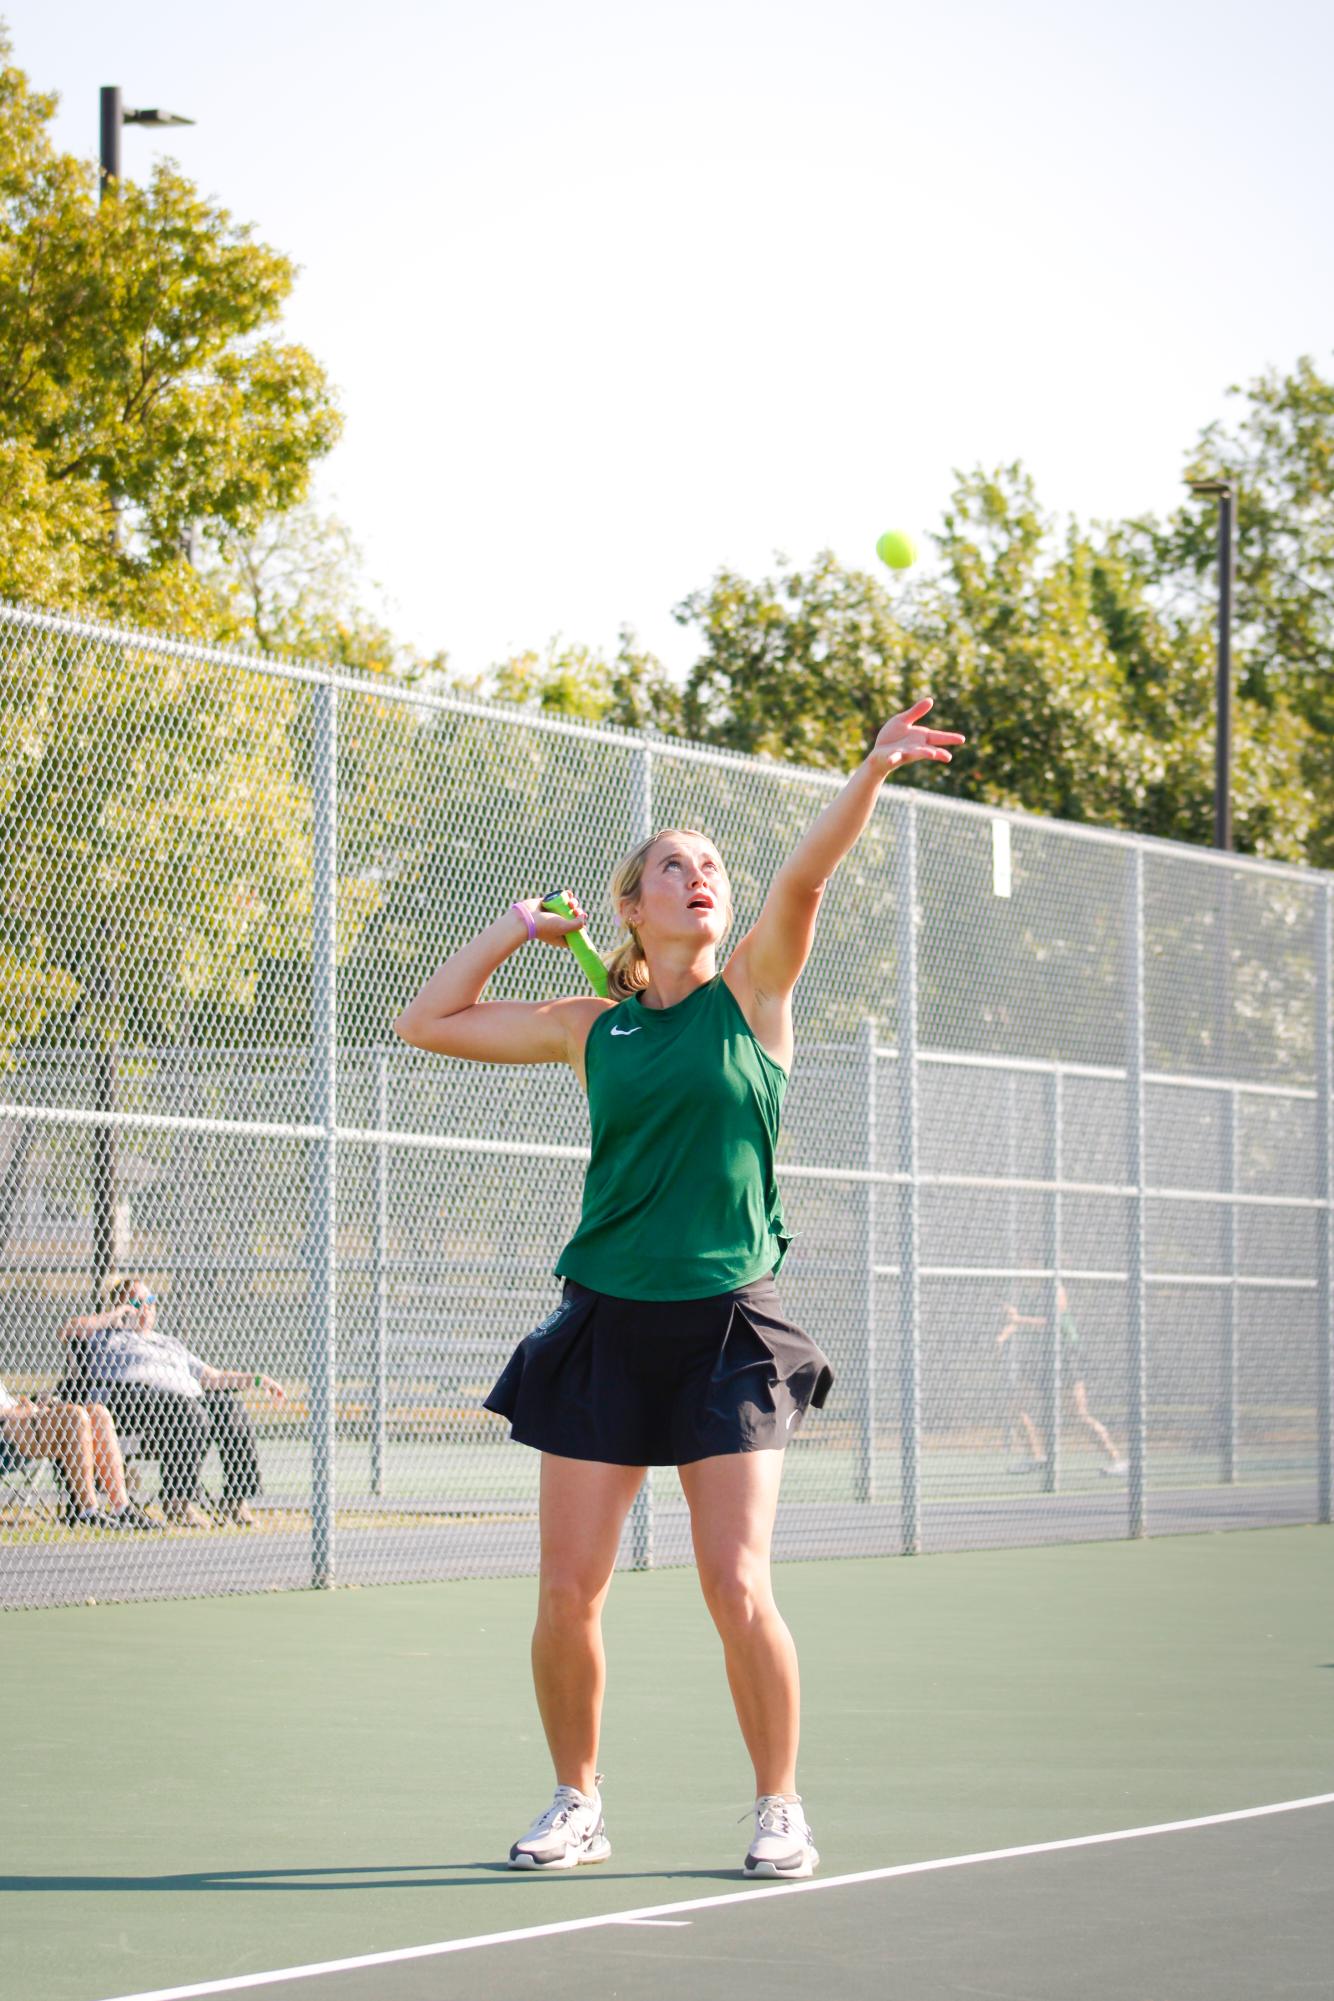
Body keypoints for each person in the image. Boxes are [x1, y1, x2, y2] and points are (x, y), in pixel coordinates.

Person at [393, 696, 964, 1879]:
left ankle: (778, 1807)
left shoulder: (751, 994)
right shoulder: (585, 1026)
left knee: (734, 1580)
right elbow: (424, 1022)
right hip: (606, 1319)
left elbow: (802, 883)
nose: (699, 876)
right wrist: (514, 926)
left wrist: (867, 771)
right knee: (565, 1590)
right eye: (672, 866)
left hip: (725, 1328)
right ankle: (575, 1799)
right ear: (632, 908)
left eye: (709, 865)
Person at [55, 1275, 286, 1527]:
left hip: (180, 1404)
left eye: (151, 1300)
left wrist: (257, 1379)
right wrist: (116, 1316)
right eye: (137, 1301)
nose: (146, 1307)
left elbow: (212, 1377)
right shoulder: (106, 1336)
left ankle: (235, 1500)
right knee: (190, 1411)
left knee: (230, 1408)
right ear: (120, 1306)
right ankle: (178, 1502)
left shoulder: (168, 1343)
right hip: (128, 1402)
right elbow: (68, 1330)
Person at [996, 1283, 1127, 1475]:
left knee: (1078, 1415)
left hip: (1065, 1355)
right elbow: (1018, 1321)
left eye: (1026, 1258)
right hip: (1040, 1357)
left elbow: (1053, 1322)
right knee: (1014, 1407)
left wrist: (1019, 1319)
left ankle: (1117, 1461)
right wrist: (1003, 1335)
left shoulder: (1055, 1288)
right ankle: (1035, 1457)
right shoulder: (1027, 1291)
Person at [0, 1374, 157, 1528]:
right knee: (74, 1416)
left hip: (22, 1422)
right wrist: (23, 1412)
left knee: (98, 1414)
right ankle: (88, 1511)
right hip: (7, 1433)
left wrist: (30, 1405)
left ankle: (121, 1508)